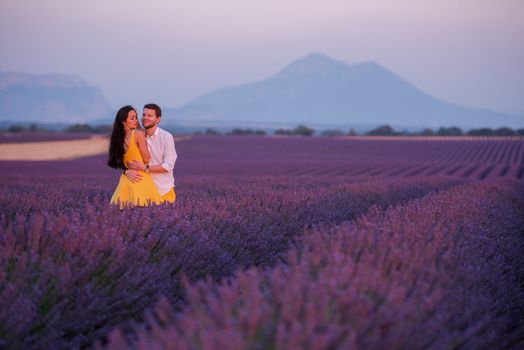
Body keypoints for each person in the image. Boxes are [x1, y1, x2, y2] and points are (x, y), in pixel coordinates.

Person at [107, 105, 163, 208]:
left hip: (125, 181)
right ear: (124, 121)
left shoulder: (117, 139)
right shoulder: (138, 134)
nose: (136, 120)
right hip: (140, 180)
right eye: (132, 118)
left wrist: (125, 171)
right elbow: (146, 159)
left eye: (136, 117)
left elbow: (116, 162)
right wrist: (145, 141)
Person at [125, 103, 177, 203]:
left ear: (158, 119)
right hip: (141, 189)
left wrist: (144, 168)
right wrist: (125, 170)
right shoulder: (135, 136)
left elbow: (168, 166)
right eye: (144, 115)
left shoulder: (166, 137)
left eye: (149, 115)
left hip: (163, 190)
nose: (145, 118)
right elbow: (124, 159)